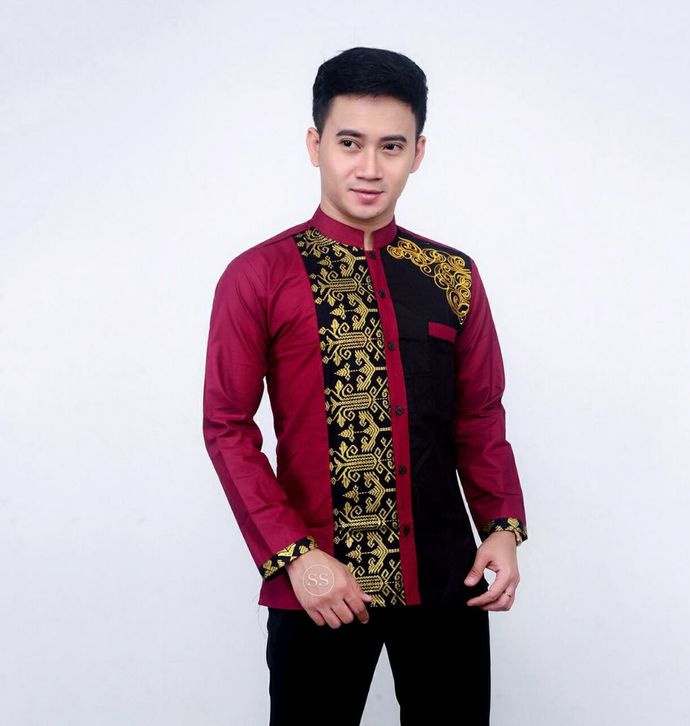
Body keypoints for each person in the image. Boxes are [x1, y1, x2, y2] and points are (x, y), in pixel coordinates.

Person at [202, 46, 528, 726]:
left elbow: (479, 415)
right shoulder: (258, 276)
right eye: (350, 143)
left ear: (418, 152)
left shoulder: (453, 276)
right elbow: (227, 426)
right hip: (320, 583)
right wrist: (295, 557)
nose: (370, 167)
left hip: (447, 578)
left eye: (392, 146)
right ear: (315, 144)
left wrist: (501, 528)